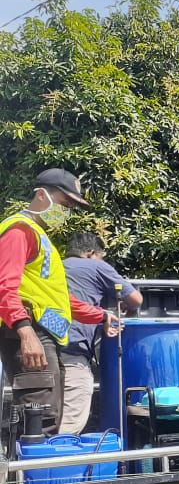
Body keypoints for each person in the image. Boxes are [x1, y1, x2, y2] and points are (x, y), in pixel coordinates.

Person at [0, 169, 118, 437]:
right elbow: (4, 286)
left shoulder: (41, 238)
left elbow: (60, 300)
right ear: (41, 195)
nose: (65, 213)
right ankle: (36, 479)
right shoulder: (20, 231)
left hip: (44, 335)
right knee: (38, 420)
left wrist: (101, 316)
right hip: (29, 333)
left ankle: (43, 478)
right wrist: (24, 331)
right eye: (64, 204)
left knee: (49, 416)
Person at [59, 233, 143, 435]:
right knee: (71, 421)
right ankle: (56, 464)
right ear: (90, 253)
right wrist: (122, 311)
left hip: (43, 347)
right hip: (72, 350)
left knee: (46, 417)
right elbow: (136, 299)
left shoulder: (56, 266)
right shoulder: (96, 266)